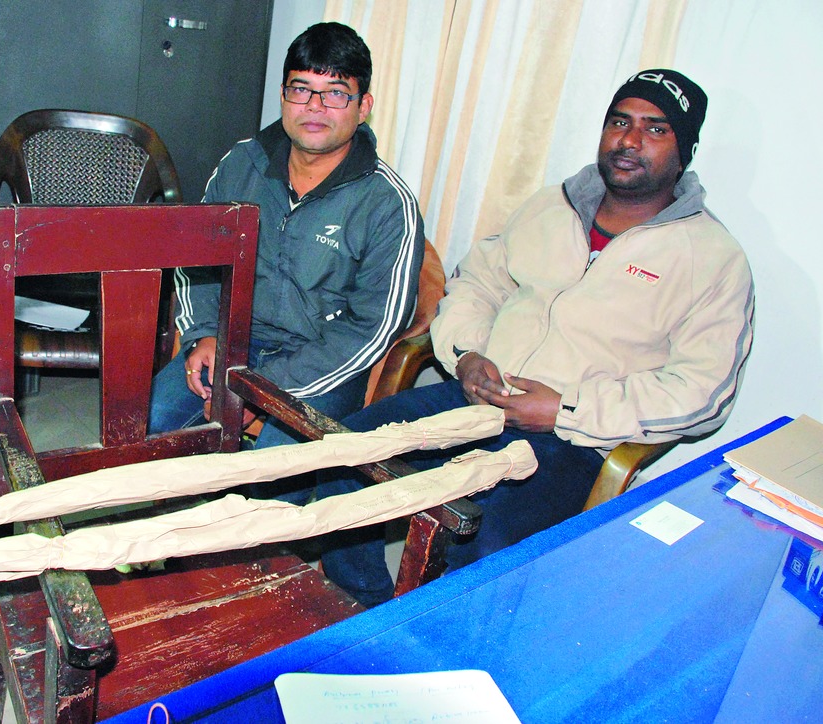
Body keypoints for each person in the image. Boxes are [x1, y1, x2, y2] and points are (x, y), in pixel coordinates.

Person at [314, 69, 755, 607]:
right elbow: (477, 281)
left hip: (571, 443)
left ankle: (437, 646)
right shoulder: (552, 206)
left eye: (655, 129)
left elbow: (702, 393)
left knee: (485, 547)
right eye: (620, 122)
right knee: (344, 457)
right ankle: (357, 609)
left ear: (684, 152)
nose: (630, 140)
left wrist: (565, 410)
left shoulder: (713, 258)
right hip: (474, 401)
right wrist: (467, 353)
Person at [148, 22, 424, 490]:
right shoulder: (242, 164)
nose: (314, 107)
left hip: (324, 364)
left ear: (363, 108)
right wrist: (202, 335)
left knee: (276, 471)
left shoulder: (387, 203)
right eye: (301, 89)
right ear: (283, 96)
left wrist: (262, 387)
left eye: (335, 93)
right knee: (148, 426)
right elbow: (198, 262)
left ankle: (261, 536)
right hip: (232, 343)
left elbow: (373, 327)